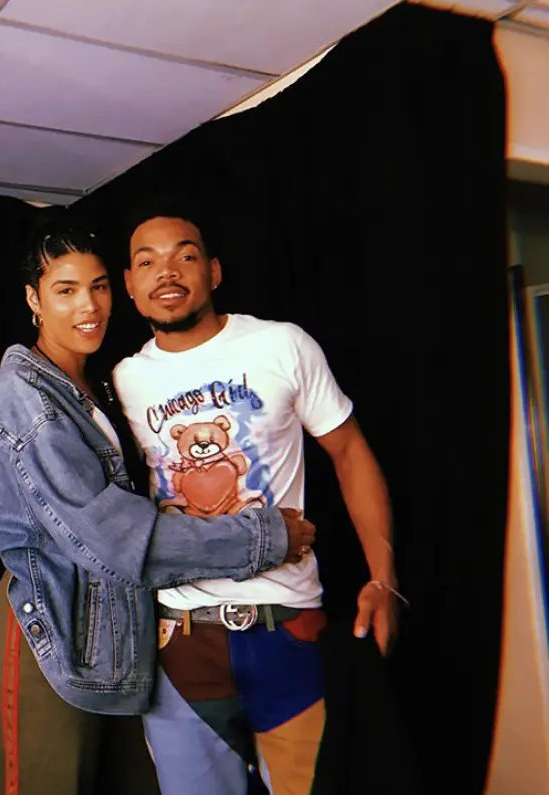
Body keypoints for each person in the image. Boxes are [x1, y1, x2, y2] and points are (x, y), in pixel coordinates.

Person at [0, 211, 317, 795]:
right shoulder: (23, 399)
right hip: (47, 633)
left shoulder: (98, 385)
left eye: (99, 287)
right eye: (66, 290)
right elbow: (121, 541)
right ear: (33, 300)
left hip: (114, 639)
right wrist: (266, 537)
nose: (89, 307)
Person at [112, 200, 402, 795]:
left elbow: (350, 452)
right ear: (131, 286)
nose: (167, 272)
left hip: (286, 629)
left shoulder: (281, 345)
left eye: (184, 256)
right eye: (147, 262)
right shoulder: (122, 380)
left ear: (213, 272)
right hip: (181, 643)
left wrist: (384, 577)